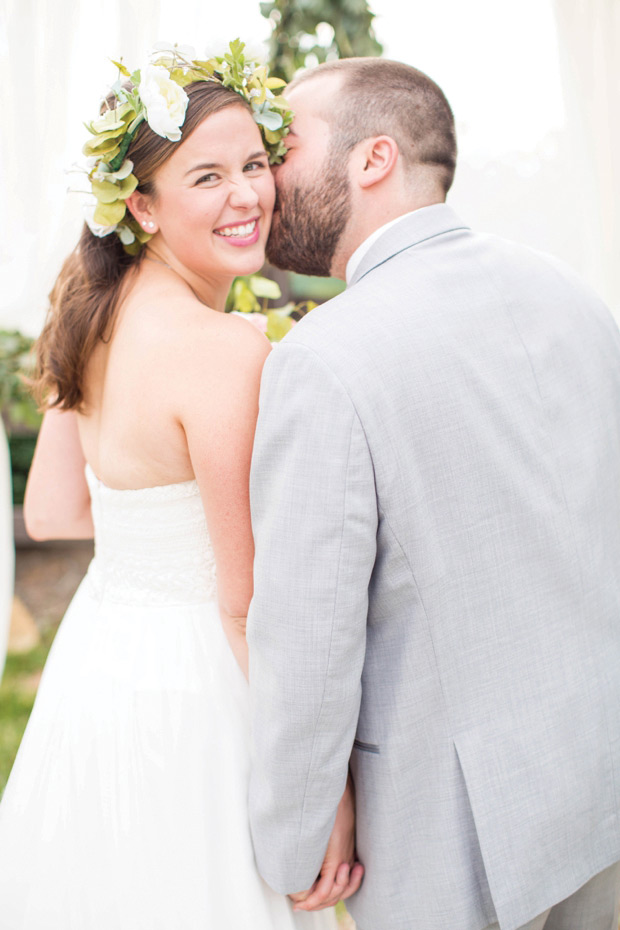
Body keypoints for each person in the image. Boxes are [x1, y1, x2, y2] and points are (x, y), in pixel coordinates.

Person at [247, 57, 620, 930]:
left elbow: (309, 637)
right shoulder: (575, 295)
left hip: (453, 829)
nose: (265, 178)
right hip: (601, 778)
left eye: (284, 148)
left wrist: (291, 844)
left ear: (372, 159)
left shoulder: (323, 358)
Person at [0, 44, 342, 930]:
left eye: (256, 165)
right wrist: (324, 798)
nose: (247, 195)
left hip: (100, 671)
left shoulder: (88, 311)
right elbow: (246, 605)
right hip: (198, 695)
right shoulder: (227, 353)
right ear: (142, 206)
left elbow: (52, 511)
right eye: (208, 176)